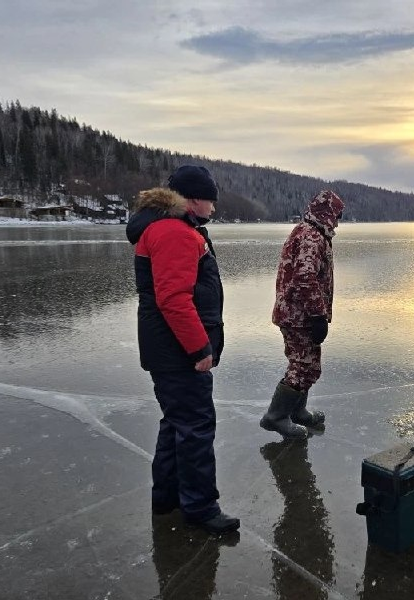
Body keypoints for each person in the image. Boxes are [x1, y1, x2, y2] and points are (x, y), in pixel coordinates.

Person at [126, 165, 239, 534]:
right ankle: (200, 508)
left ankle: (168, 498)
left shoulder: (170, 228)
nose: (214, 208)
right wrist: (199, 348)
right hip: (178, 352)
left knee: (177, 422)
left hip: (168, 350)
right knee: (195, 427)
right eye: (211, 199)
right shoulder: (174, 232)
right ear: (193, 199)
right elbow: (174, 299)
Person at [260, 190, 345, 439]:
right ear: (326, 213)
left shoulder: (310, 232)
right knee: (304, 366)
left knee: (306, 363)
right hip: (299, 316)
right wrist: (318, 315)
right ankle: (275, 417)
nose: (338, 221)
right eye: (336, 215)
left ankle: (298, 412)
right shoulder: (311, 237)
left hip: (297, 313)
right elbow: (304, 277)